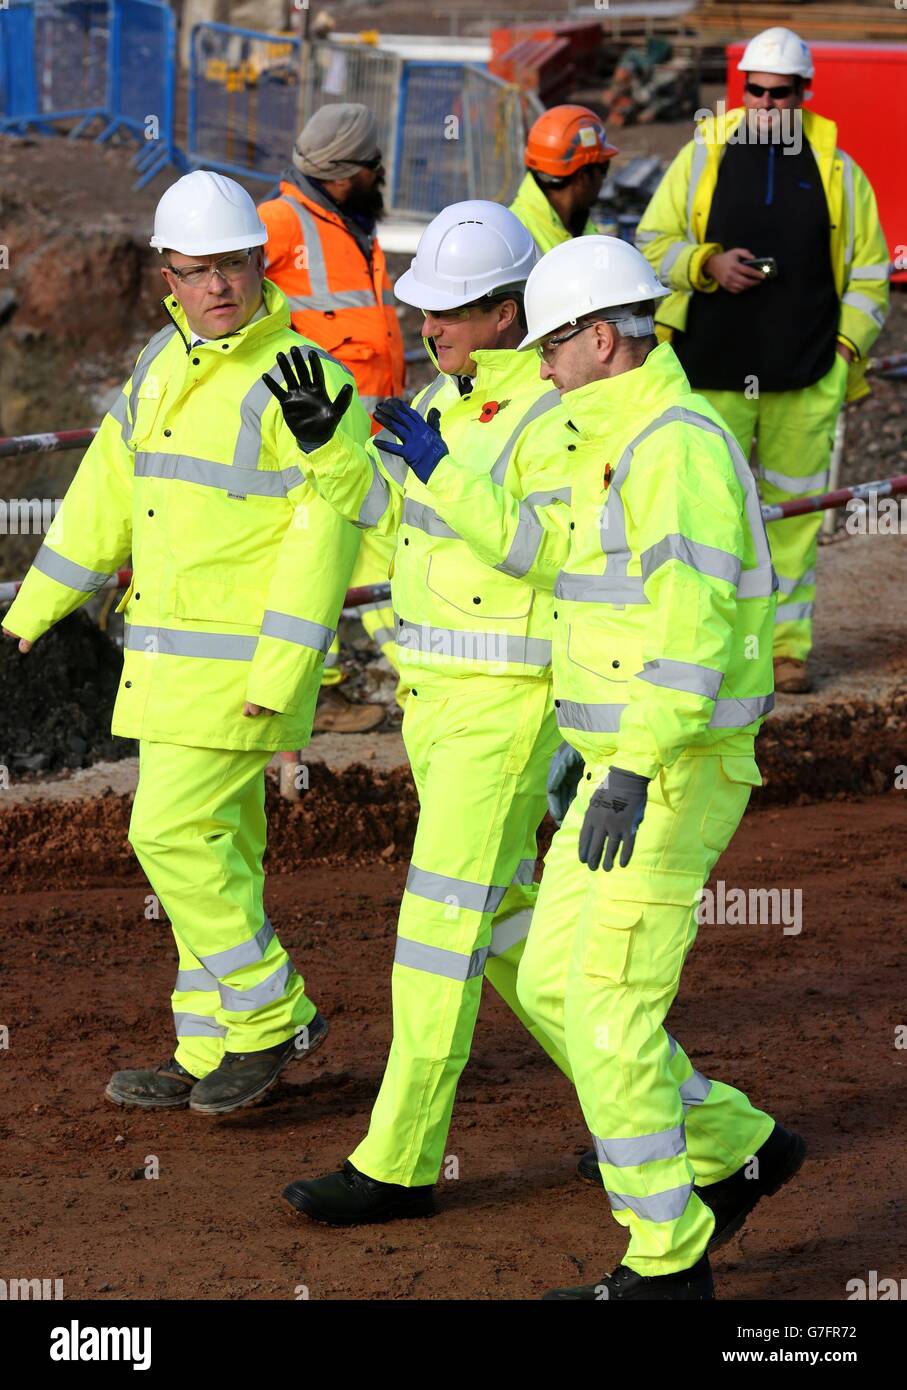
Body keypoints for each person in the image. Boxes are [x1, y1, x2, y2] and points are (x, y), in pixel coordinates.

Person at [369, 236, 804, 1300]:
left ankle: (666, 1259)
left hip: (666, 771)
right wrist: (439, 471)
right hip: (620, 763)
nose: (541, 361)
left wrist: (627, 768)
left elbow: (691, 639)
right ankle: (739, 1146)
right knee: (563, 982)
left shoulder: (674, 449)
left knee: (606, 1013)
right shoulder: (603, 436)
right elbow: (545, 553)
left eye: (553, 342)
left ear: (598, 339)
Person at [1, 171, 371, 1114]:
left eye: (237, 265)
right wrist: (31, 610)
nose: (220, 285)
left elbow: (327, 535)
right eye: (200, 269)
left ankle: (271, 1013)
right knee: (219, 853)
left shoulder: (306, 381)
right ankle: (209, 1045)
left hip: (242, 670)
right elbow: (103, 498)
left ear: (260, 264)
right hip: (166, 665)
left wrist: (285, 674)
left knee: (164, 833)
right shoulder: (159, 368)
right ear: (167, 274)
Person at [265, 202, 581, 1225]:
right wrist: (333, 454)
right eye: (423, 310)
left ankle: (398, 1163)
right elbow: (390, 531)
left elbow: (545, 552)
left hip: (508, 711)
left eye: (448, 312)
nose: (427, 328)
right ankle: (699, 1129)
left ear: (506, 310)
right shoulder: (446, 404)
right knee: (507, 939)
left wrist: (445, 475)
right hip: (437, 708)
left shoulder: (552, 410)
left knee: (438, 931)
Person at [635, 27, 889, 692]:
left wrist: (843, 352)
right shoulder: (699, 159)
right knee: (706, 520)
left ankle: (784, 651)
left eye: (781, 94)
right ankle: (709, 649)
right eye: (756, 91)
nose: (767, 105)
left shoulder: (837, 171)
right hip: (706, 374)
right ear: (738, 89)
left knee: (794, 521)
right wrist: (705, 263)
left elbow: (869, 273)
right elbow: (650, 242)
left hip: (804, 378)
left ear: (804, 94)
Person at [259, 103, 404, 731]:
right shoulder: (280, 223)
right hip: (314, 447)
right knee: (312, 564)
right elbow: (216, 297)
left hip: (366, 443)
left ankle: (421, 673)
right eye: (373, 167)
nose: (380, 175)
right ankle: (316, 697)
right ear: (346, 173)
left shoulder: (353, 224)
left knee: (378, 561)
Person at [509, 104, 618, 253]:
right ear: (583, 177)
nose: (603, 179)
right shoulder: (515, 237)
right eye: (604, 168)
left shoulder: (579, 222)